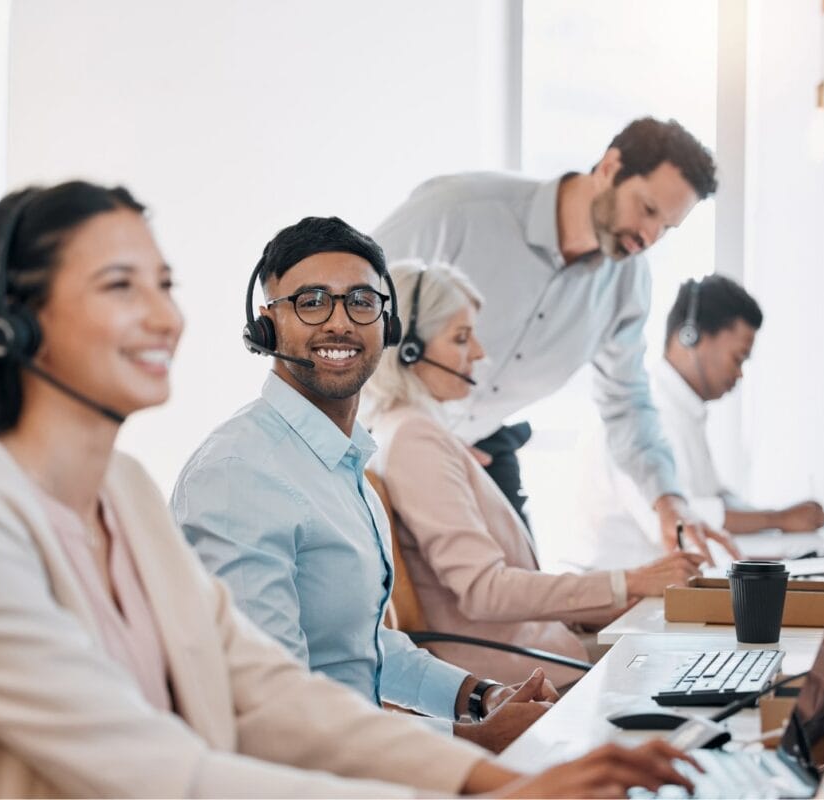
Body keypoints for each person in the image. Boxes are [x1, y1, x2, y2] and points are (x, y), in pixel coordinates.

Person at [0, 182, 696, 798]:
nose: (165, 318)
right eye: (121, 286)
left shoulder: (122, 492)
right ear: (16, 322)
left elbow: (263, 688)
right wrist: (479, 785)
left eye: (165, 285)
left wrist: (488, 774)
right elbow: (141, 760)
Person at [175, 217, 560, 755]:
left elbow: (361, 647)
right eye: (311, 302)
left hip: (364, 761)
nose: (340, 322)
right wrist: (469, 740)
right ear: (266, 326)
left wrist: (482, 697)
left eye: (360, 301)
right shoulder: (237, 475)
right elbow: (271, 710)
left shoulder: (343, 462)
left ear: (388, 324)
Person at [372, 116, 739, 563]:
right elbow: (351, 306)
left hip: (482, 445)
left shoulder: (627, 285)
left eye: (667, 228)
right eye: (647, 210)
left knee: (522, 587)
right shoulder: (458, 210)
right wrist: (404, 432)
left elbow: (627, 403)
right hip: (381, 433)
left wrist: (668, 500)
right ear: (610, 167)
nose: (649, 238)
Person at [362, 261, 705, 686]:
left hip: (535, 649)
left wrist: (613, 597)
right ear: (409, 350)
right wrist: (629, 581)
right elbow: (484, 591)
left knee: (685, 646)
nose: (480, 353)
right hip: (519, 673)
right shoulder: (415, 439)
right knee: (692, 659)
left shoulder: (405, 431)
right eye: (461, 338)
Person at [566, 274, 824, 572]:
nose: (740, 374)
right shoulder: (647, 412)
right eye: (738, 358)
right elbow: (684, 519)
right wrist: (776, 519)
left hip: (662, 578)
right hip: (625, 585)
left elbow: (714, 497)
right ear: (690, 336)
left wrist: (781, 520)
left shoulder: (685, 410)